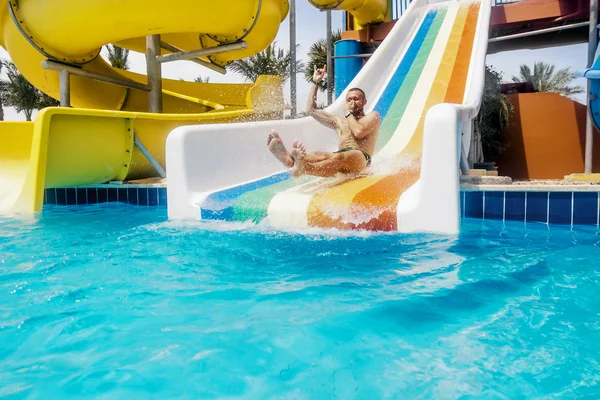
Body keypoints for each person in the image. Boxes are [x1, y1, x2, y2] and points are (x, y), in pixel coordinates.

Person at [267, 64, 380, 178]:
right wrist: (315, 82)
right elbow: (311, 110)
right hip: (339, 156)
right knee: (319, 155)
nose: (352, 102)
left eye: (356, 99)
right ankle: (290, 160)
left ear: (364, 102)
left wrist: (347, 112)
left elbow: (358, 131)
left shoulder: (372, 117)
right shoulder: (338, 121)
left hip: (360, 159)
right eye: (349, 99)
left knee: (339, 157)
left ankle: (304, 168)